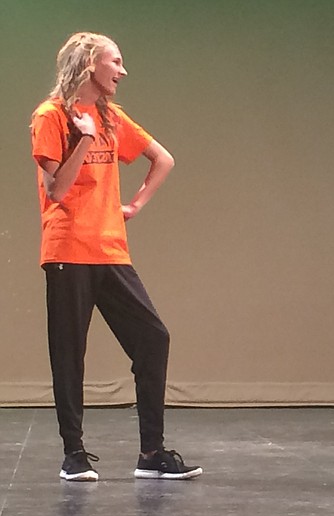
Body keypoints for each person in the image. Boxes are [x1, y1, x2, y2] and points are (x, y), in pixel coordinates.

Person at [30, 32, 202, 481]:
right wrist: (84, 141)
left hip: (110, 249)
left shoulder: (111, 116)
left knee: (153, 338)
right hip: (67, 248)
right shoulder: (52, 116)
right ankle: (74, 454)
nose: (122, 72)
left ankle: (151, 455)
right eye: (116, 62)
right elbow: (56, 189)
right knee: (70, 352)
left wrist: (135, 205)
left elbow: (162, 158)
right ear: (89, 65)